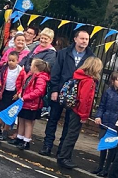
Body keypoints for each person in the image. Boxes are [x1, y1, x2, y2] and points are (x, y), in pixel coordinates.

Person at [40, 29, 94, 157]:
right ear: (75, 39)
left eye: (86, 39)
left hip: (77, 95)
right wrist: (54, 90)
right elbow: (56, 72)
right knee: (53, 119)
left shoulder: (91, 57)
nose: (84, 41)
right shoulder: (64, 53)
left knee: (69, 123)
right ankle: (47, 145)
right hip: (60, 90)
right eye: (82, 38)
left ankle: (61, 150)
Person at [57, 56, 103, 169]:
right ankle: (64, 157)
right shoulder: (89, 81)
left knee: (69, 132)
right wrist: (84, 115)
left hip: (73, 108)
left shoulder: (79, 76)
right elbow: (85, 99)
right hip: (78, 111)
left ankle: (63, 155)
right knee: (72, 135)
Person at [13, 58, 51, 151]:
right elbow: (25, 86)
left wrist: (25, 97)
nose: (30, 67)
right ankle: (20, 138)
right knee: (21, 119)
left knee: (28, 122)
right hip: (24, 102)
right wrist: (20, 94)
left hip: (32, 104)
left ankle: (26, 141)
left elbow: (38, 91)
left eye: (32, 65)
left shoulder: (40, 78)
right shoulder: (31, 75)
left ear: (36, 67)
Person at [92, 71, 118, 178]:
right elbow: (102, 106)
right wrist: (98, 116)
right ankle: (100, 166)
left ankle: (107, 168)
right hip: (106, 121)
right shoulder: (108, 92)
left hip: (116, 123)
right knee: (103, 146)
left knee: (112, 147)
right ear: (113, 81)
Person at [0, 51, 25, 141]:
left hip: (13, 94)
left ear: (17, 61)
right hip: (4, 92)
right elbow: (1, 78)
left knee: (8, 113)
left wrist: (18, 93)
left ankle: (5, 133)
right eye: (9, 60)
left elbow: (23, 84)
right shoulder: (4, 68)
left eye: (13, 60)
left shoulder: (21, 71)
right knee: (1, 111)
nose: (10, 62)